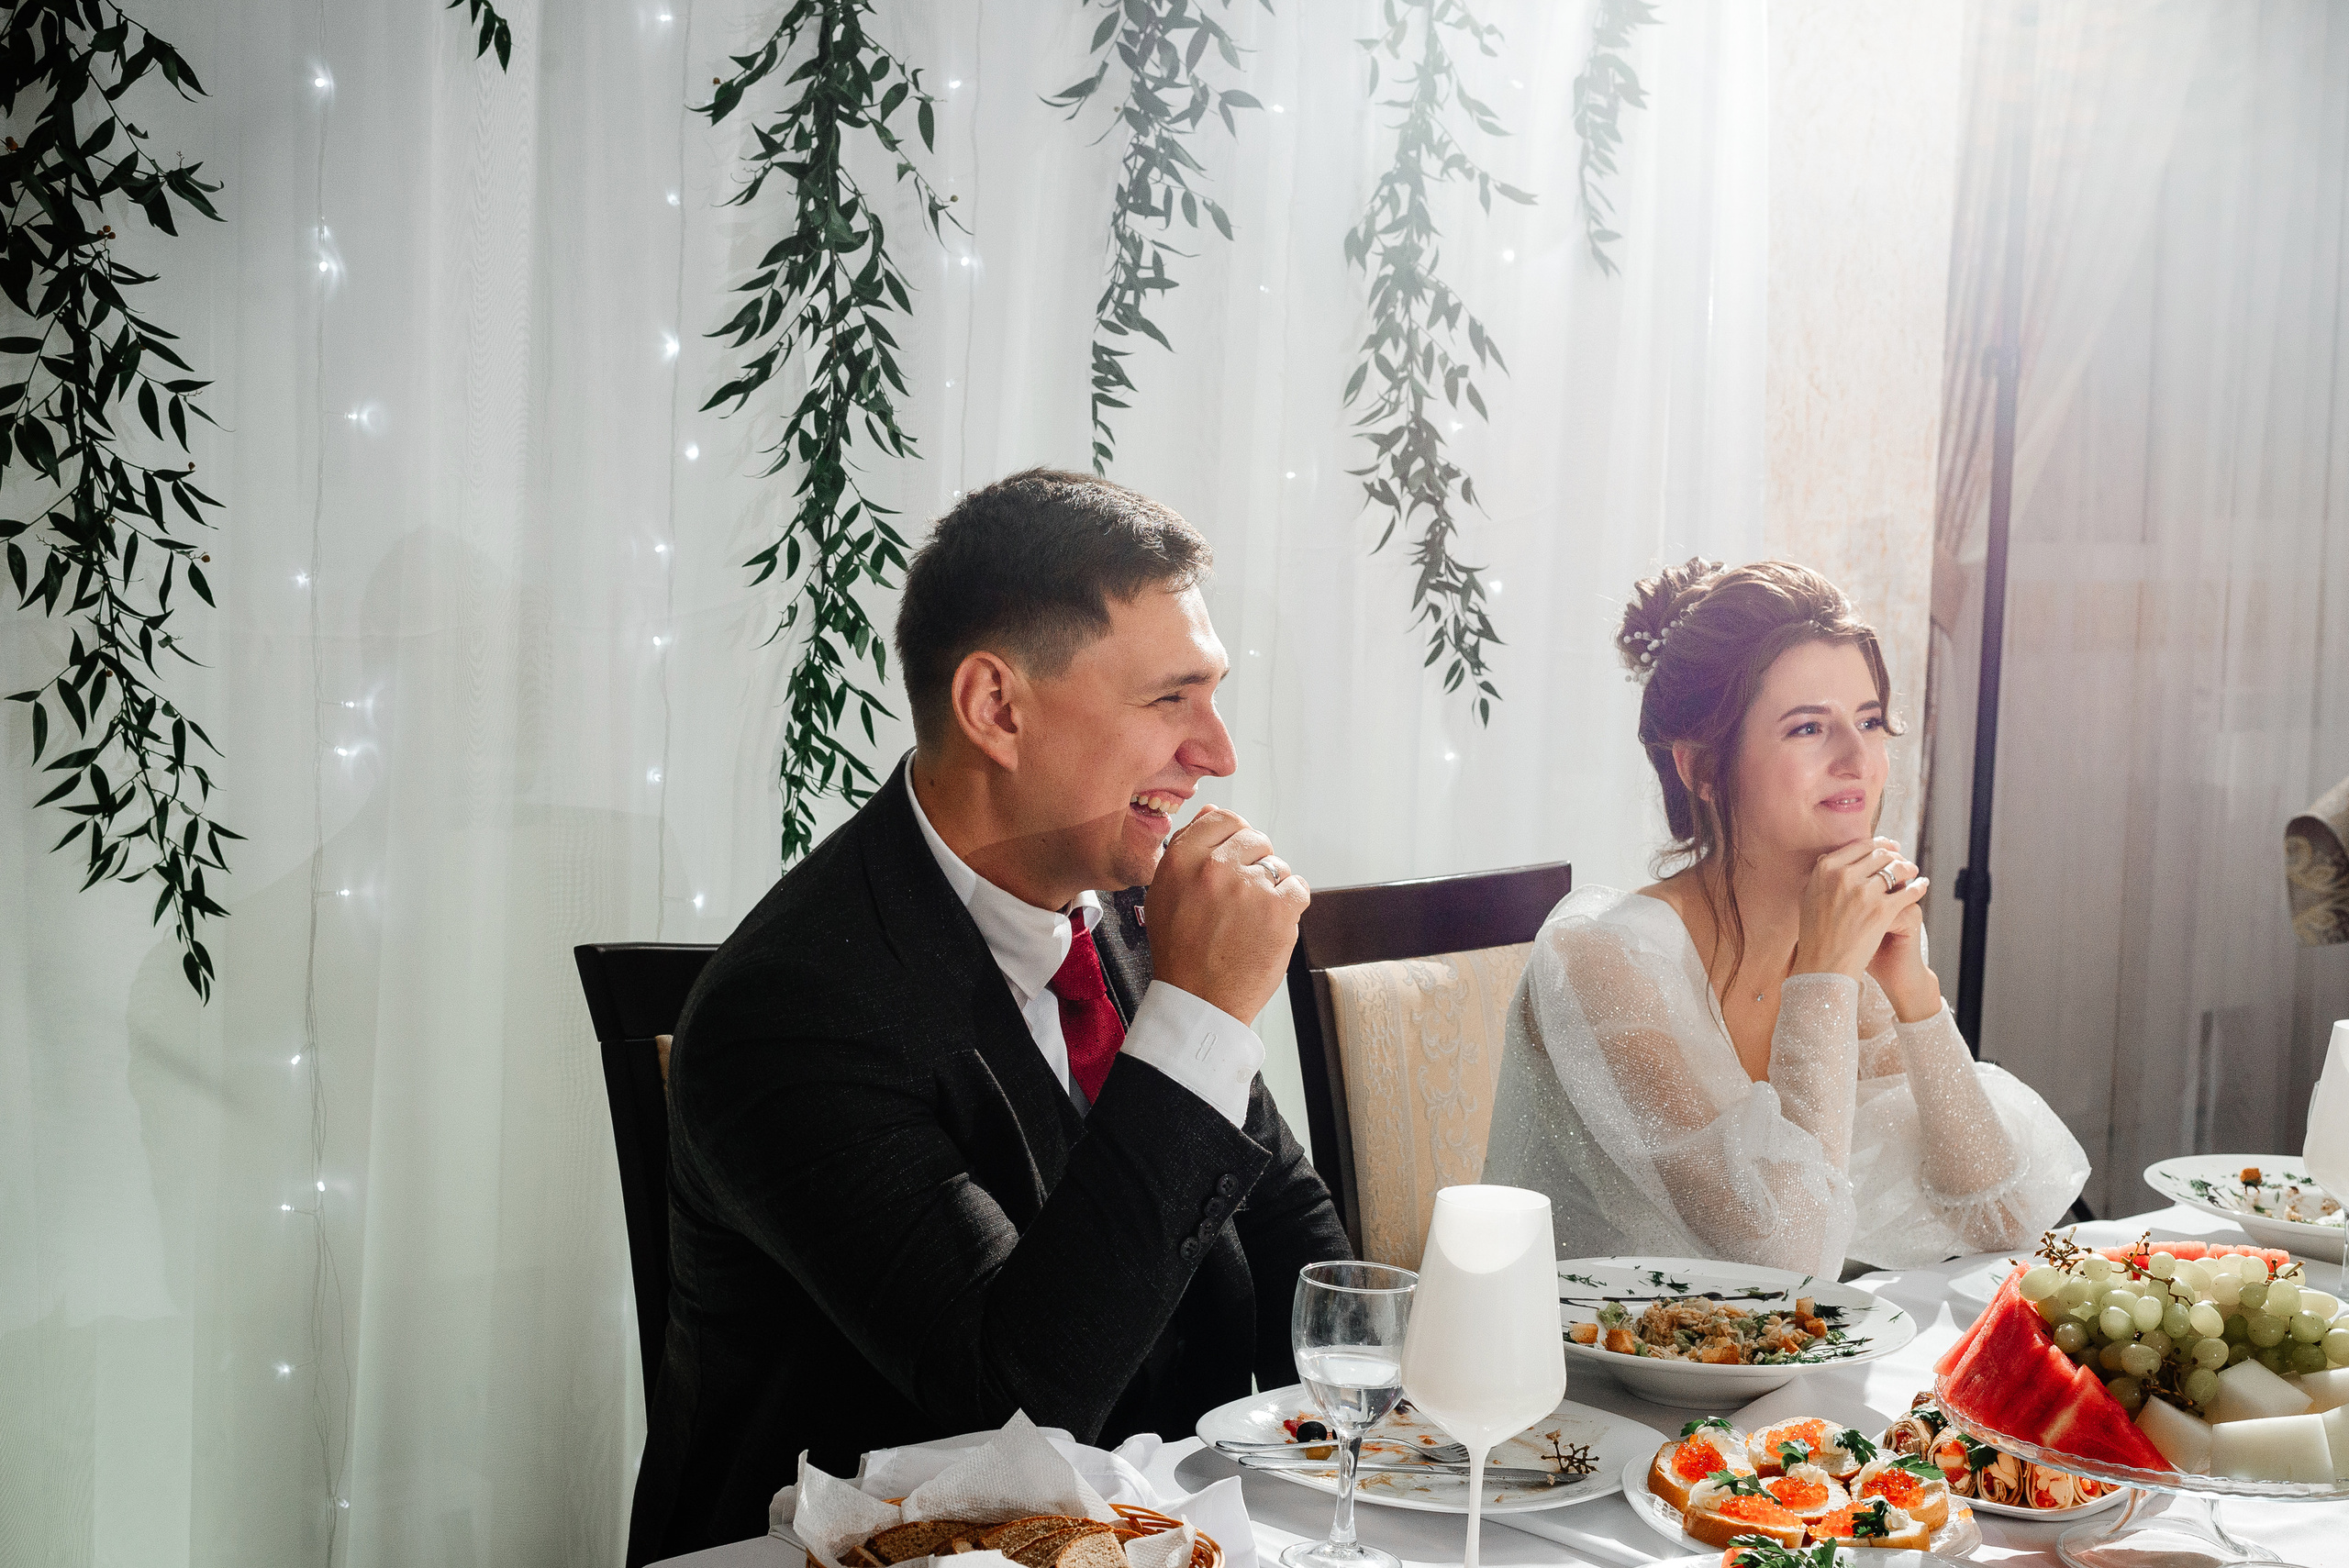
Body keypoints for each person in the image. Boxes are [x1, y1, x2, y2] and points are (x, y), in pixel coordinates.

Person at [628, 470, 1348, 1564]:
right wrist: (1199, 1011)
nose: (1217, 750)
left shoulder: (1129, 911)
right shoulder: (789, 1010)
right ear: (996, 707)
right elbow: (1014, 1398)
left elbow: (1297, 1247)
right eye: (1170, 699)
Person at [1482, 559, 2086, 1277]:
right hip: (1587, 1379)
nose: (1858, 758)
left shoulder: (1852, 938)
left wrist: (1914, 993)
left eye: (1869, 720)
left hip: (1773, 1372)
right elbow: (1790, 1257)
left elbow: (2004, 1219)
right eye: (1808, 728)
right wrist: (1823, 978)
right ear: (1702, 767)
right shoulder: (1602, 959)